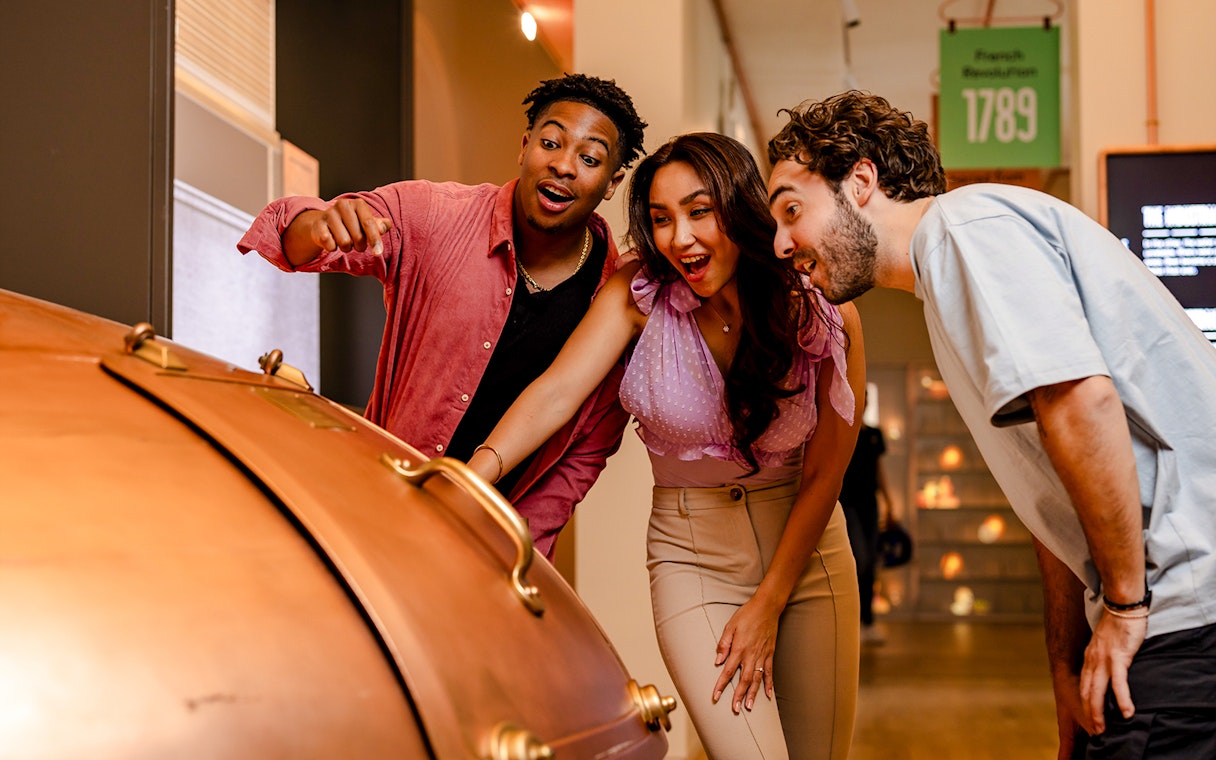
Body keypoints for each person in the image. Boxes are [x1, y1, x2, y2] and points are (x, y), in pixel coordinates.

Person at [766, 90, 1216, 759]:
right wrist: (1064, 667)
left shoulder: (963, 231)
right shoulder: (952, 271)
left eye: (791, 210)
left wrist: (1123, 609)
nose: (781, 244)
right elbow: (1058, 487)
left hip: (1184, 617)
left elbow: (1080, 403)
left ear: (860, 182)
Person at [469, 132, 865, 760]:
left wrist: (771, 601)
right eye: (660, 219)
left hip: (808, 554)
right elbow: (556, 392)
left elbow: (825, 474)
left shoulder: (815, 309)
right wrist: (470, 479)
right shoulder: (639, 296)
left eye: (699, 211)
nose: (679, 238)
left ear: (740, 208)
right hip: (693, 558)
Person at [236, 74, 647, 560]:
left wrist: (514, 557)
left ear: (612, 183)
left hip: (486, 547)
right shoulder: (436, 216)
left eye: (590, 158)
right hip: (377, 508)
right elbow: (291, 234)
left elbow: (579, 460)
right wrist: (319, 224)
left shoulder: (620, 301)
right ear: (525, 146)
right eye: (551, 142)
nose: (563, 165)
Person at [838, 400, 894, 645]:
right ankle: (852, 622)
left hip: (869, 504)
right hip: (846, 503)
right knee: (858, 560)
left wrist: (890, 502)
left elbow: (879, 470)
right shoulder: (842, 431)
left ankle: (868, 622)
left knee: (870, 562)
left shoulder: (874, 435)